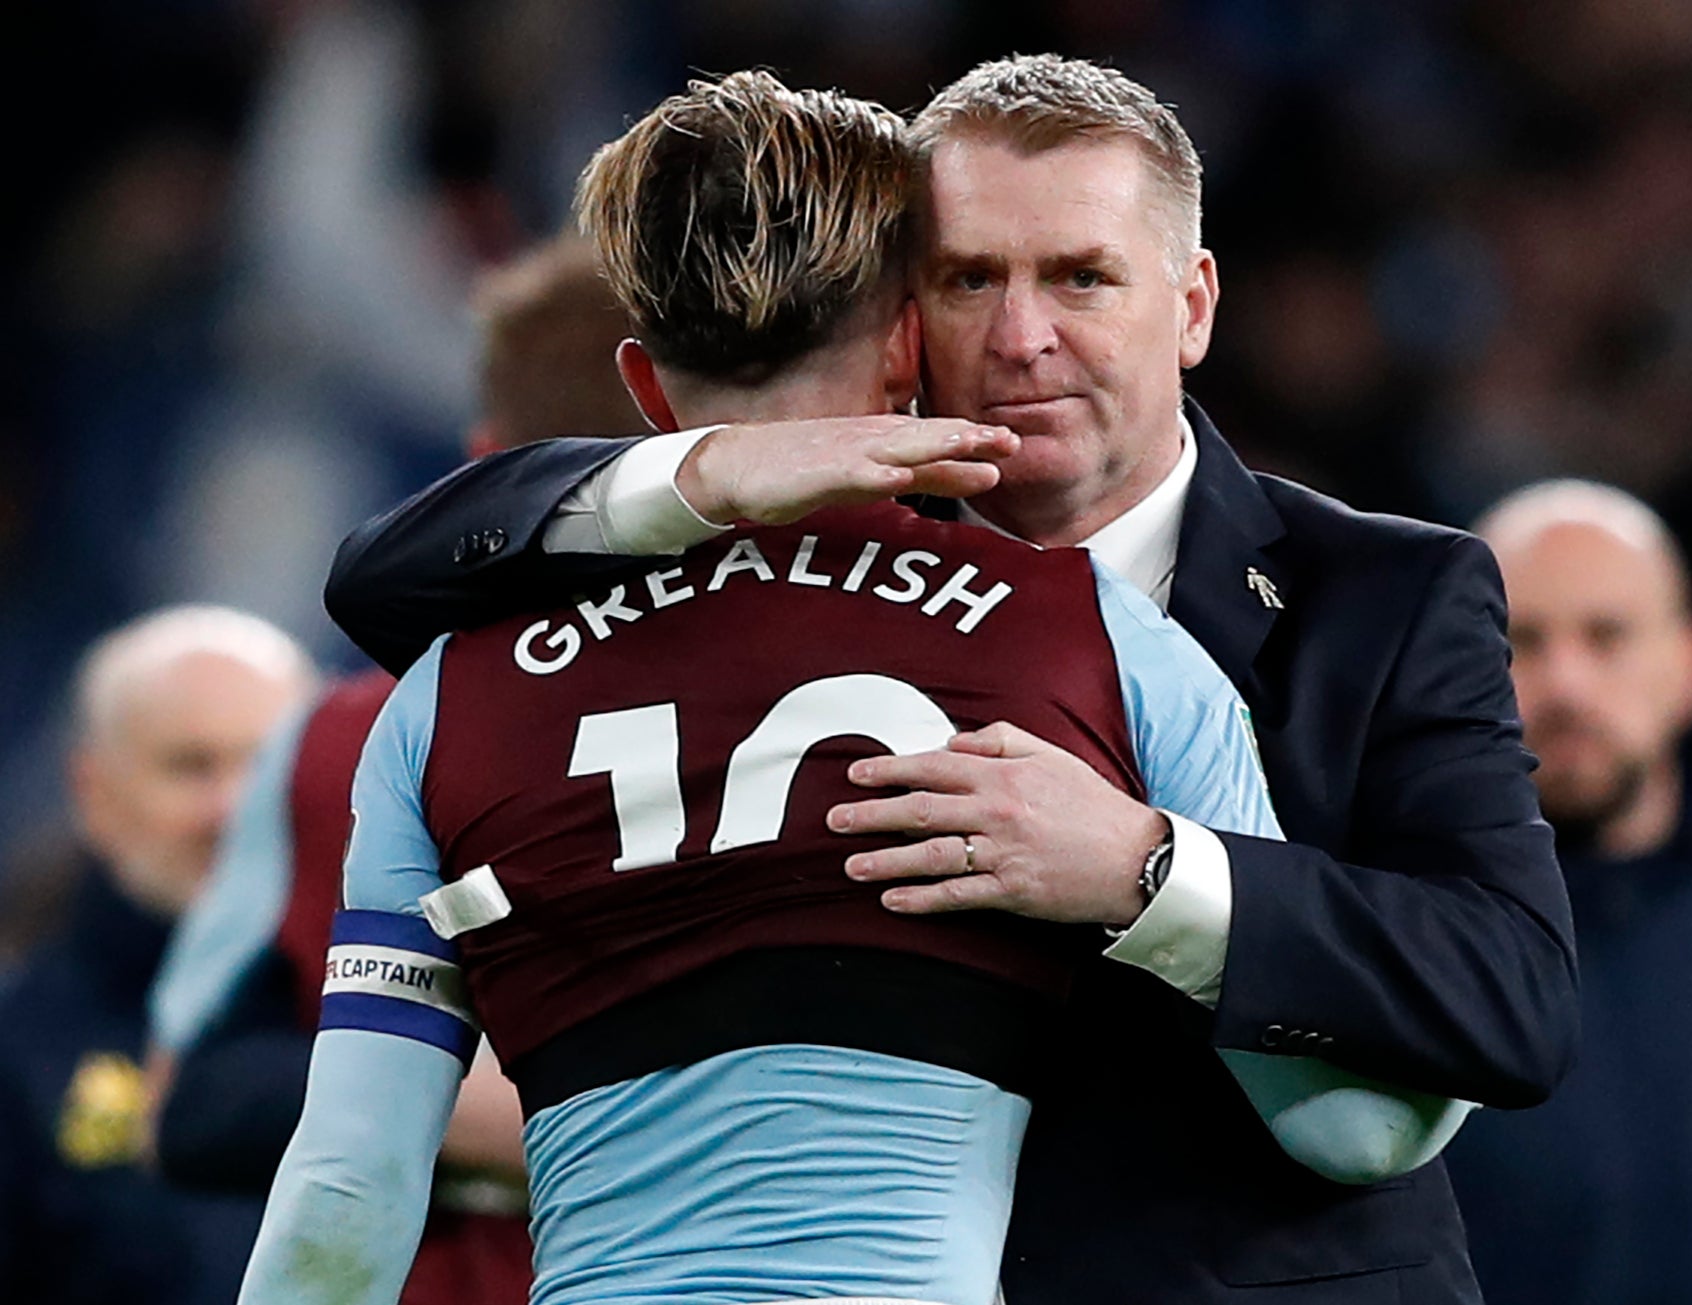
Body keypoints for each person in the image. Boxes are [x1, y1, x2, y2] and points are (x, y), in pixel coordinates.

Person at [322, 56, 1578, 1303]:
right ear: (905, 320)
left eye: (1082, 278)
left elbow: (1509, 995)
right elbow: (387, 581)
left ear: (1191, 306)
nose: (1023, 339)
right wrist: (701, 477)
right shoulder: (777, 577)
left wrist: (1149, 870)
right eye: (970, 279)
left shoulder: (1385, 593)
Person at [143, 235, 647, 1304]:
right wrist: (507, 1111)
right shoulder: (331, 742)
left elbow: (197, 1100)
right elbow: (189, 1105)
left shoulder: (337, 739)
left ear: (476, 465)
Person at [1446, 480, 1692, 1305]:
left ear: (1690, 665)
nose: (1565, 683)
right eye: (1521, 641)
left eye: (1606, 635)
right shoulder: (1386, 928)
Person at [0, 605, 314, 1305]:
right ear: (95, 793)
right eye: (190, 765)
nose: (233, 807)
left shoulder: (423, 1012)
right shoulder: (19, 1049)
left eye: (269, 764)